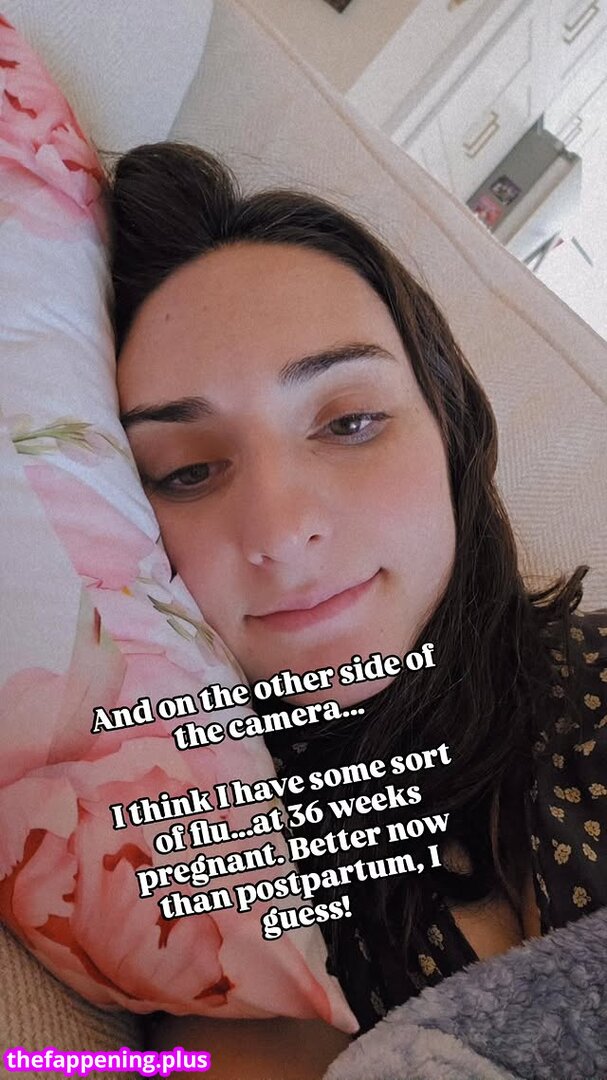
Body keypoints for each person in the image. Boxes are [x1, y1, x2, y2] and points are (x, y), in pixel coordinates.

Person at [109, 142, 607, 1078]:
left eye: (348, 422)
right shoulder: (205, 900)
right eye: (187, 471)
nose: (281, 528)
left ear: (450, 424)